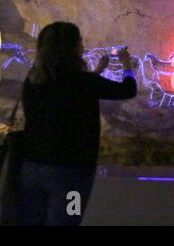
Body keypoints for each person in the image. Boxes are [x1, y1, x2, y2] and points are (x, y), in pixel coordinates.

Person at [16, 22, 137, 226]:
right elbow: (127, 90)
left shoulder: (33, 79)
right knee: (69, 221)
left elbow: (65, 95)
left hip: (31, 170)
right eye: (79, 41)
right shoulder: (82, 82)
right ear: (71, 48)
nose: (82, 45)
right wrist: (127, 66)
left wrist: (96, 72)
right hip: (71, 173)